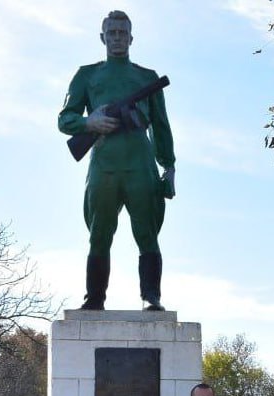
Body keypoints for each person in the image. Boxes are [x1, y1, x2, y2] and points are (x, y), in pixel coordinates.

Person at [58, 10, 175, 311]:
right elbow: (65, 118)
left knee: (147, 233)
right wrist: (89, 122)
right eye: (112, 33)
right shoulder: (87, 74)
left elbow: (161, 126)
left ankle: (151, 297)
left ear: (131, 37)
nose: (118, 38)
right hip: (104, 164)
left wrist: (169, 166)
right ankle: (94, 298)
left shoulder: (147, 78)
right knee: (99, 234)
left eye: (123, 33)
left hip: (141, 165)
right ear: (103, 37)